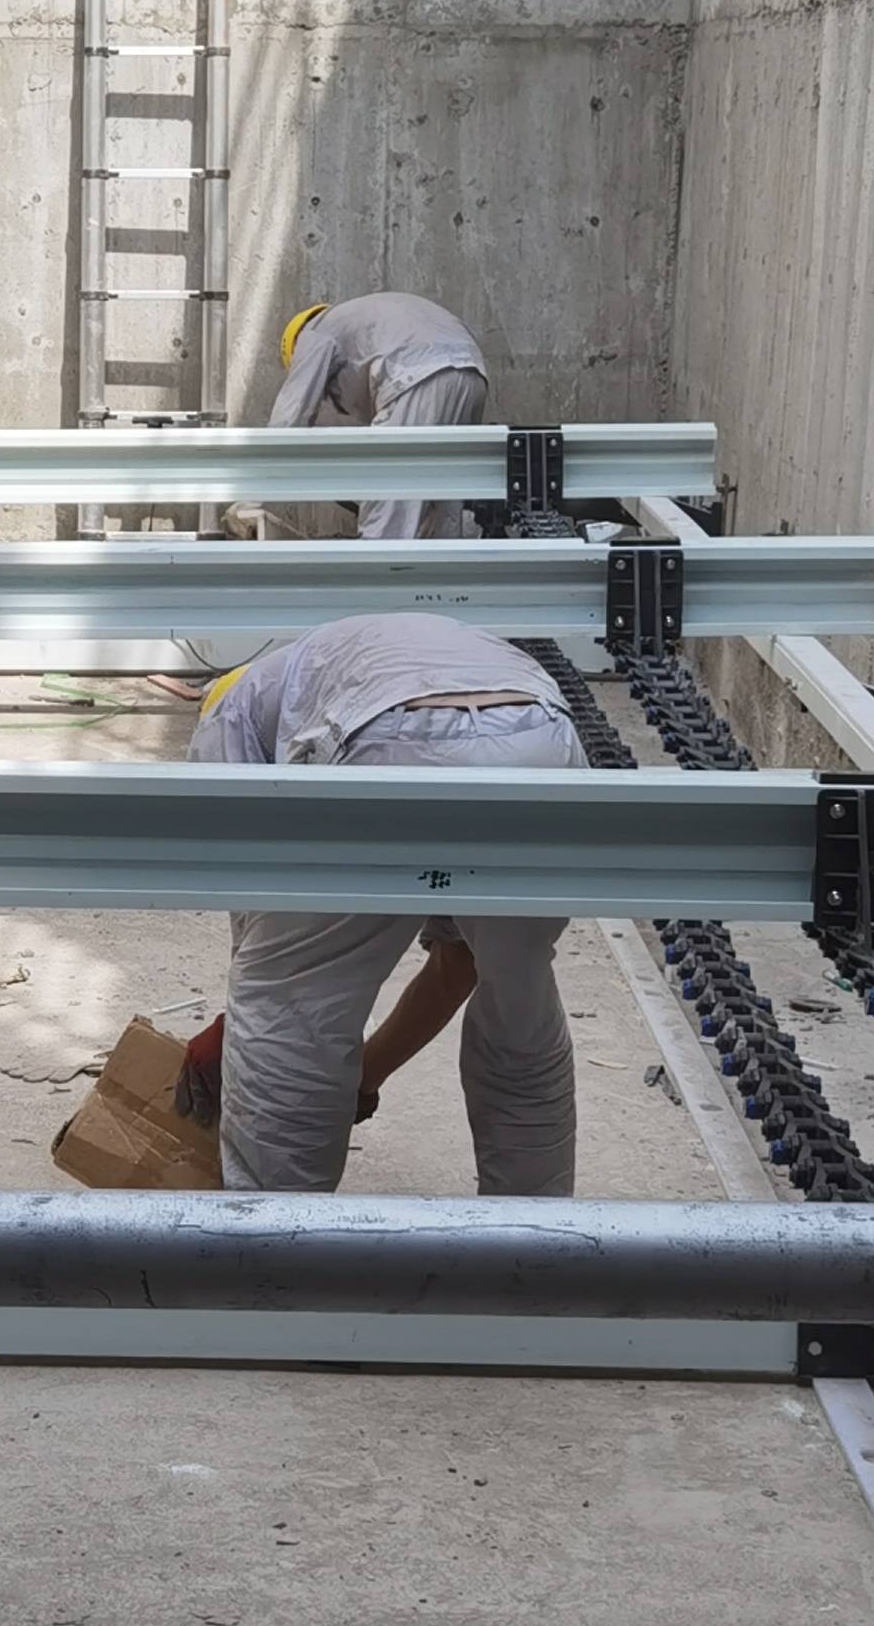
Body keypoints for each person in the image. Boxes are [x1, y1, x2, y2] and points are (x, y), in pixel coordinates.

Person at [175, 614, 584, 1195]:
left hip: (386, 732)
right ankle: (536, 1235)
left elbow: (264, 934)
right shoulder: (317, 666)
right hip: (544, 742)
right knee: (520, 998)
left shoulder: (228, 713)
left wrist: (241, 1028)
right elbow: (459, 962)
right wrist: (365, 1074)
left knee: (289, 1005)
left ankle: (277, 1241)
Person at [269, 292, 492, 538]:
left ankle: (376, 562)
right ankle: (439, 562)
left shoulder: (314, 332)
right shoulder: (361, 322)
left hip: (417, 373)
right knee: (441, 506)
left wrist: (256, 491)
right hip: (472, 373)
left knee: (386, 510)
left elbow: (291, 413)